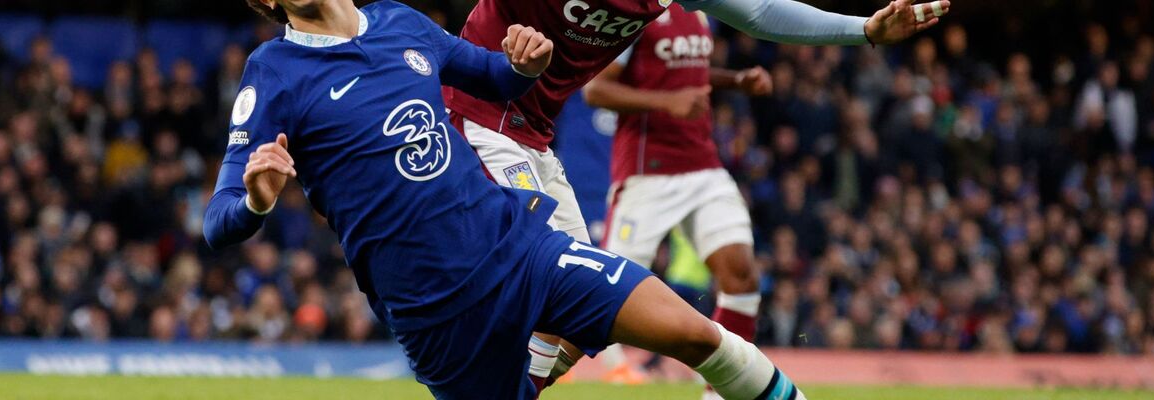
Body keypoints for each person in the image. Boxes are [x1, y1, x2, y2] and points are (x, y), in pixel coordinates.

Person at [209, 0, 815, 399]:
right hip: (434, 308)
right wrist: (256, 204)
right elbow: (219, 221)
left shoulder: (399, 23)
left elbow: (492, 76)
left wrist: (527, 64)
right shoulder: (274, 72)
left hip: (520, 249)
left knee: (698, 336)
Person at [441, 0, 950, 387]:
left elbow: (762, 10)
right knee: (553, 288)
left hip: (535, 136)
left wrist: (862, 30)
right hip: (479, 114)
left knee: (575, 318)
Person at [581, 5, 772, 398]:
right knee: (605, 293)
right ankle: (532, 371)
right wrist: (668, 103)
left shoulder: (701, 14)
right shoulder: (634, 12)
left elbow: (688, 76)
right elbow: (596, 89)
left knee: (742, 277)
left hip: (703, 166)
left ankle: (719, 393)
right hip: (647, 173)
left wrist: (736, 80)